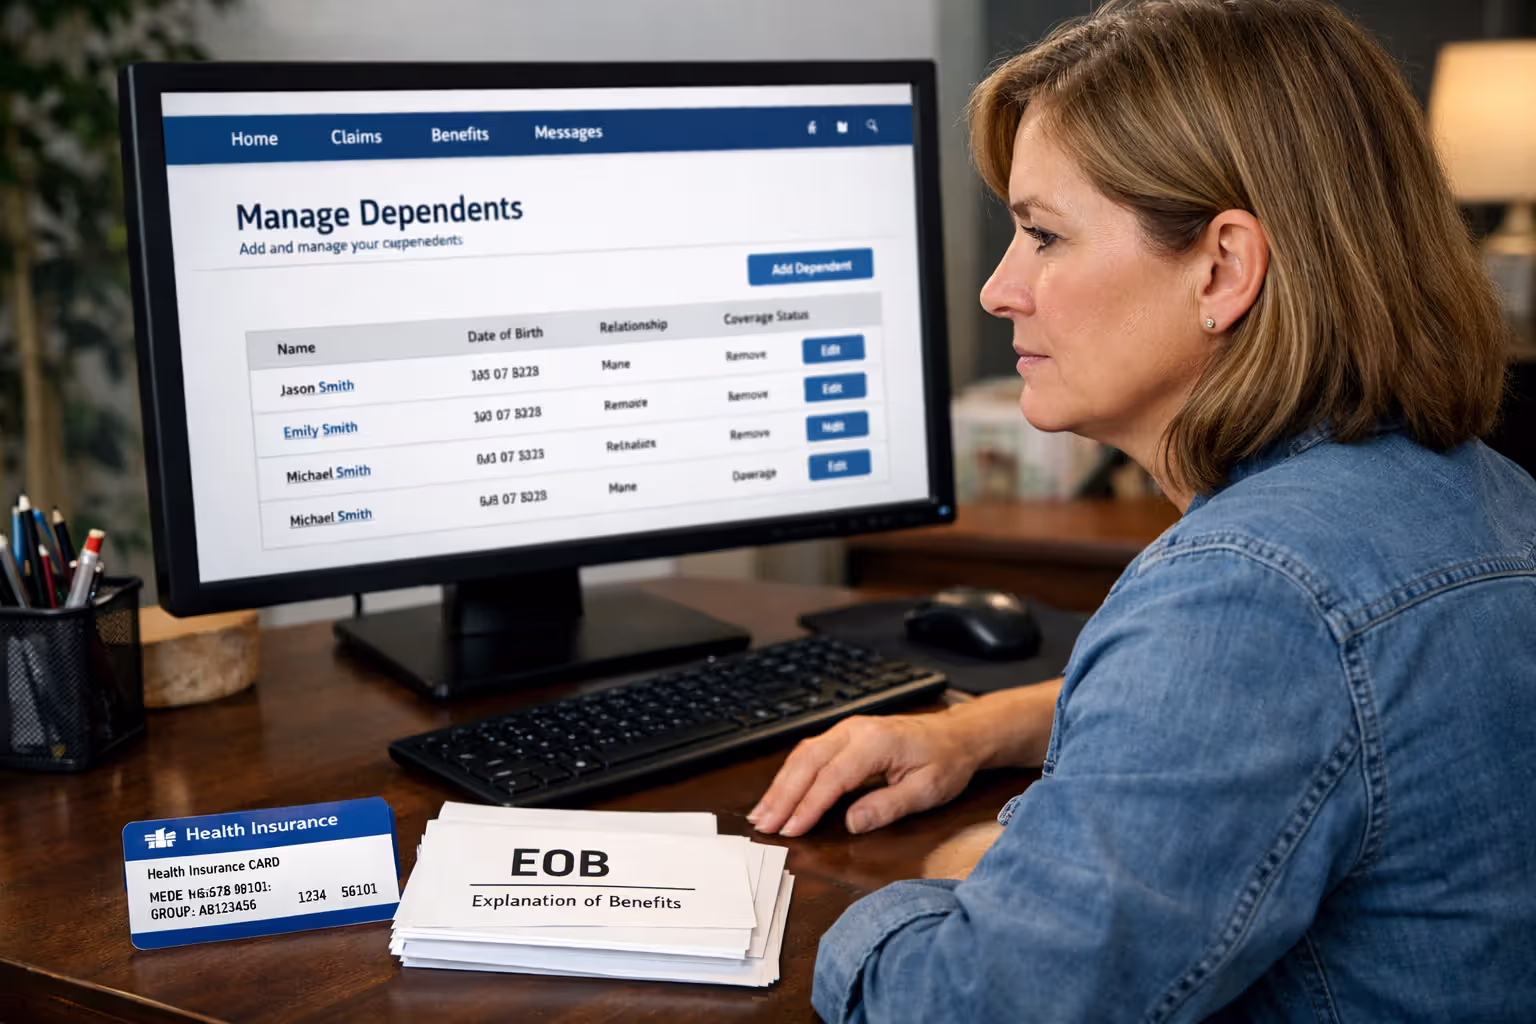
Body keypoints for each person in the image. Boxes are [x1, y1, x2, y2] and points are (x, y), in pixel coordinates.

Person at [748, 1, 1536, 1020]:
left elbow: (967, 1004)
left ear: (1223, 268)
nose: (998, 290)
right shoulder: (1480, 492)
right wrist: (982, 729)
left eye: (1042, 235)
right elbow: (1326, 705)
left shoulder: (1247, 592)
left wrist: (865, 903)